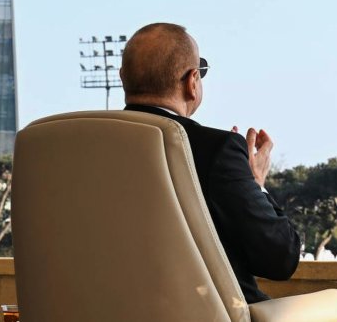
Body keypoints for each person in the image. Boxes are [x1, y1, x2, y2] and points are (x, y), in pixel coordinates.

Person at [120, 22, 300, 304]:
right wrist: (255, 186)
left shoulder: (76, 151)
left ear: (122, 78)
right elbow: (279, 259)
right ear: (193, 81)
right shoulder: (214, 150)